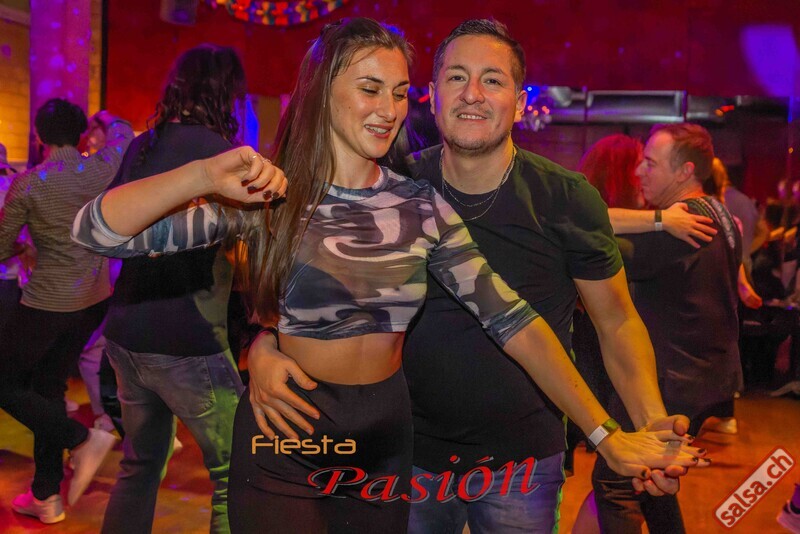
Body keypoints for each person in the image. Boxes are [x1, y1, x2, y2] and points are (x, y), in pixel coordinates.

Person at [72, 18, 703, 533]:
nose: (388, 109)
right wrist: (203, 175)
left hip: (385, 441)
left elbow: (515, 322)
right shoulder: (268, 197)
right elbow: (96, 233)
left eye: (399, 92)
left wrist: (606, 433)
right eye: (370, 89)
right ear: (324, 92)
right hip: (286, 438)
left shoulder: (420, 206)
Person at [95, 44, 248, 534]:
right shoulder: (222, 155)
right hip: (188, 337)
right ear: (227, 92)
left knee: (138, 466)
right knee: (236, 474)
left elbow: (113, 227)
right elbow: (245, 248)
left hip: (126, 332)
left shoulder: (142, 146)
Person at [592, 123, 743, 533]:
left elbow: (591, 236)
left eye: (650, 163)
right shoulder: (718, 212)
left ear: (684, 171)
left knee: (617, 482)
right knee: (653, 483)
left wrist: (656, 221)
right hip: (704, 374)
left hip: (671, 377)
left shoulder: (685, 223)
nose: (639, 171)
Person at [0, 99, 132, 524]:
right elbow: (124, 135)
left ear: (38, 136)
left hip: (49, 302)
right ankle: (46, 495)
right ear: (81, 135)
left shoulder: (28, 183)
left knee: (4, 382)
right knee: (47, 387)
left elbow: (0, 245)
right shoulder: (100, 167)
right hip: (93, 301)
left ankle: (80, 438)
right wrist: (106, 118)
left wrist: (23, 246)